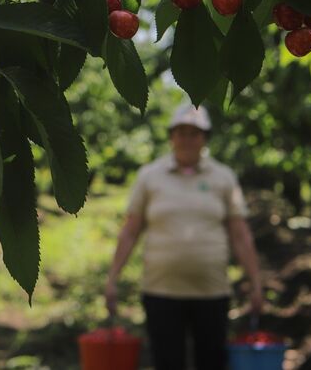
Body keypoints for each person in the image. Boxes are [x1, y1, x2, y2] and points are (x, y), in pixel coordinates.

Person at [105, 103, 263, 370]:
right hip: (161, 292)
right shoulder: (150, 176)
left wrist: (255, 282)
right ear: (171, 136)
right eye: (181, 132)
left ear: (205, 138)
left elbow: (240, 234)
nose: (187, 139)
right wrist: (112, 278)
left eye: (194, 133)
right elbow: (130, 231)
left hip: (211, 292)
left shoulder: (223, 178)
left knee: (211, 360)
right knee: (167, 361)